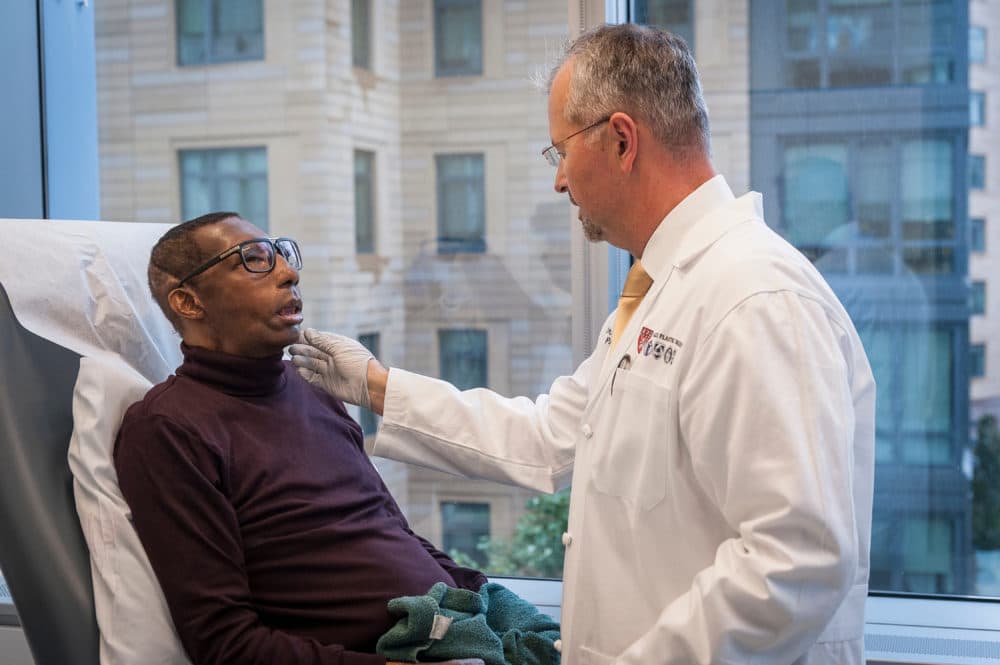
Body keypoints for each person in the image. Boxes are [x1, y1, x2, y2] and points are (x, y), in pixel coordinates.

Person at [290, 23, 876, 665]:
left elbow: (796, 559)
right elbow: (549, 436)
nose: (559, 181)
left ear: (622, 140)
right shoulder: (661, 293)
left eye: (560, 152)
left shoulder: (754, 299)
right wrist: (374, 384)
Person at [114, 212, 492, 665]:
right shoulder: (168, 431)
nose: (289, 273)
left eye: (283, 255)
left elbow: (391, 530)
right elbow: (224, 642)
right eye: (253, 260)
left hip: (452, 634)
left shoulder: (314, 390)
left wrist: (481, 595)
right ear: (189, 303)